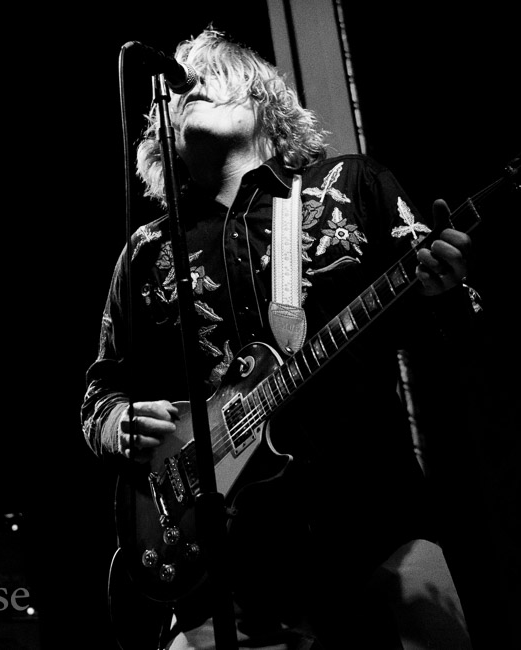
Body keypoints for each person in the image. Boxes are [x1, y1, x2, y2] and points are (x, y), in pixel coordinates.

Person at [81, 28, 477, 650]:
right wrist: (116, 424)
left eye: (209, 70)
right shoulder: (147, 253)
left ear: (261, 94)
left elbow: (452, 340)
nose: (188, 85)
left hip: (374, 521)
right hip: (225, 565)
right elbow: (100, 391)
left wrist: (445, 291)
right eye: (179, 86)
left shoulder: (350, 187)